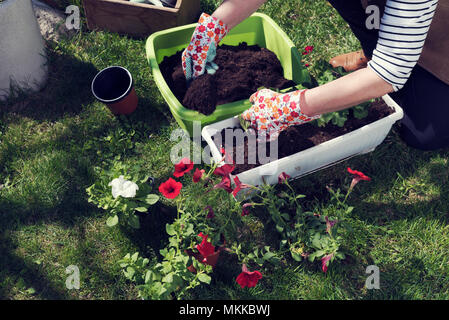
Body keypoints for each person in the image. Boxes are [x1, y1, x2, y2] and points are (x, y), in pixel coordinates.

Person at [182, 0, 449, 150]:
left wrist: (292, 107)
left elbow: (391, 70)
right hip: (393, 20)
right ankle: (378, 46)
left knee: (424, 133)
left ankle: (396, 49)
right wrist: (213, 28)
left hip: (442, 39)